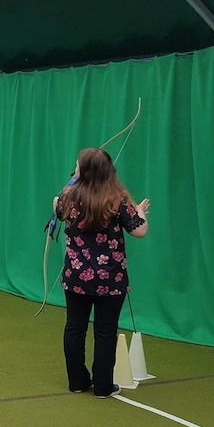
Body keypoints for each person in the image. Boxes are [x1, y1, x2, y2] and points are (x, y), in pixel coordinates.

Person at [54, 148, 149, 398]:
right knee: (105, 332)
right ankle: (103, 386)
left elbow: (58, 211)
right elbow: (139, 230)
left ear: (85, 170)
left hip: (76, 277)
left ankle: (77, 382)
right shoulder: (117, 198)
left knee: (75, 328)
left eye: (78, 165)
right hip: (110, 279)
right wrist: (139, 211)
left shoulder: (68, 195)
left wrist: (60, 199)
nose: (75, 169)